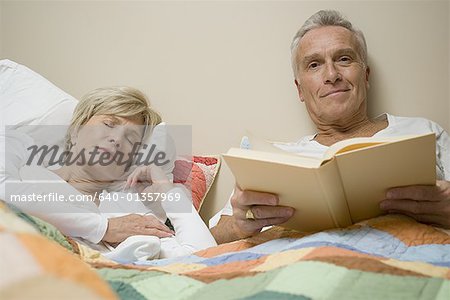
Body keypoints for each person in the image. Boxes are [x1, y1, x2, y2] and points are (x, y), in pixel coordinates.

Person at [209, 10, 450, 244]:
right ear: (300, 89)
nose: (332, 74)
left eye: (344, 59)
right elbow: (213, 238)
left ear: (365, 76)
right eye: (314, 64)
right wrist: (239, 226)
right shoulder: (274, 160)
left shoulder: (422, 131)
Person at [2, 86, 216, 261]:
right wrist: (103, 228)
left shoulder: (130, 214)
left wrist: (167, 190)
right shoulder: (25, 168)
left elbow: (202, 259)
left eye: (131, 138)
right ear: (76, 130)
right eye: (109, 124)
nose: (117, 139)